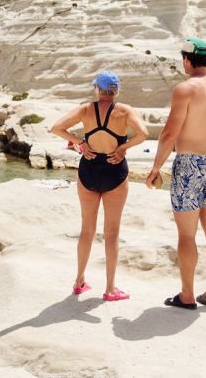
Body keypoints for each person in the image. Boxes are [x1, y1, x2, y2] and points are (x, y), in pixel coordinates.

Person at [145, 38, 206, 310]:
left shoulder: (184, 89)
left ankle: (187, 295)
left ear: (187, 59)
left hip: (189, 164)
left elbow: (169, 133)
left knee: (187, 234)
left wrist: (156, 168)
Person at [51, 71, 148, 301]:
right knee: (112, 233)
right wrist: (123, 148)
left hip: (89, 169)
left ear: (97, 89)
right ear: (116, 91)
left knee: (87, 230)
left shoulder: (86, 109)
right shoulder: (124, 111)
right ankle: (110, 289)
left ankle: (79, 281)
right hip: (115, 170)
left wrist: (80, 143)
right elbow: (143, 134)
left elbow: (56, 128)